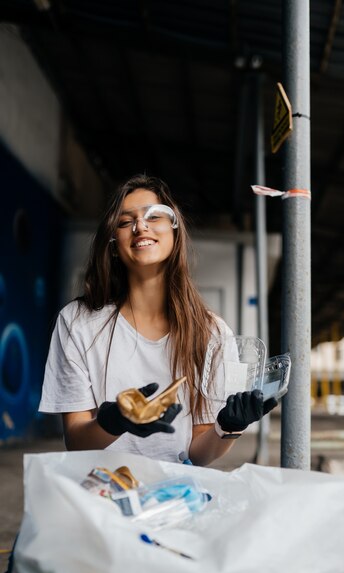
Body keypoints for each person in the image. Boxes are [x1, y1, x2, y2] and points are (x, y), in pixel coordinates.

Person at [39, 174, 277, 466]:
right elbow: (76, 443)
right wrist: (113, 422)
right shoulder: (77, 322)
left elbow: (197, 455)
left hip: (174, 494)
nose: (140, 226)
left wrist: (228, 427)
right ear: (113, 243)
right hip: (99, 492)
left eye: (154, 216)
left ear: (175, 231)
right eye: (125, 222)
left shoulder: (211, 332)